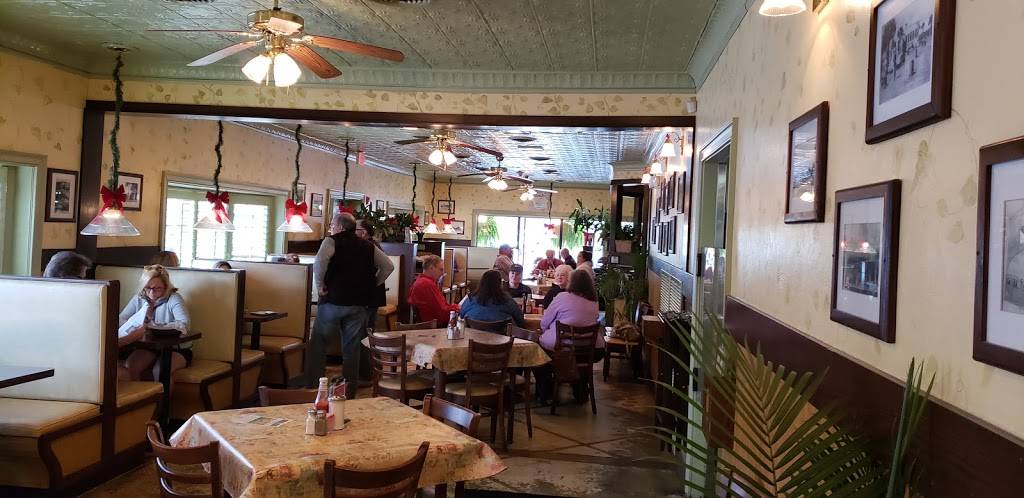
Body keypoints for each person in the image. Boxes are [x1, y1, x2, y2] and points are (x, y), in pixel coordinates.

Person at [307, 212, 379, 397]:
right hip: (357, 304)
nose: (331, 228)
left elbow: (319, 263)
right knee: (351, 349)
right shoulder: (367, 245)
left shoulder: (331, 241)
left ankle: (313, 389)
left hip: (333, 301)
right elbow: (388, 266)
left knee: (319, 345)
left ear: (340, 227)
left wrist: (320, 286)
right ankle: (348, 392)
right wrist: (371, 284)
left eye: (332, 225)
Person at [536, 269, 603, 403]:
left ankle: (546, 389)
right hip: (591, 350)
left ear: (571, 282)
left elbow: (544, 323)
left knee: (536, 351)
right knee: (576, 358)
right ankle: (580, 388)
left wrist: (545, 330)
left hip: (562, 349)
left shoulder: (562, 297)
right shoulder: (594, 302)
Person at [117, 265, 191, 381]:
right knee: (131, 367)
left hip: (176, 348)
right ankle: (141, 393)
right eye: (148, 288)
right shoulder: (139, 298)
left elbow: (184, 324)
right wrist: (140, 321)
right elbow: (121, 320)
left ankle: (163, 394)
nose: (152, 292)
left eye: (158, 288)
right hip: (149, 347)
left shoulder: (174, 298)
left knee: (160, 370)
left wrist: (154, 326)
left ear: (166, 287)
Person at [354, 219, 395, 328]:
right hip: (371, 293)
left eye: (355, 229)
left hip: (369, 294)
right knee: (368, 325)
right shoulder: (370, 245)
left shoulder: (369, 247)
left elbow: (388, 267)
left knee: (365, 326)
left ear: (364, 232)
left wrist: (374, 283)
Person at [460, 269, 524, 327]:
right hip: (502, 335)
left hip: (472, 335)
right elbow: (520, 319)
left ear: (481, 283)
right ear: (500, 284)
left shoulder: (471, 299)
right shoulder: (507, 300)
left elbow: (461, 315)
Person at [408, 254, 459, 325]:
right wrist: (457, 308)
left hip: (429, 322)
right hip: (434, 324)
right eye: (441, 269)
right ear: (431, 268)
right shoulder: (427, 284)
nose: (442, 273)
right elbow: (442, 311)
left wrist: (454, 307)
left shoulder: (419, 281)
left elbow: (441, 307)